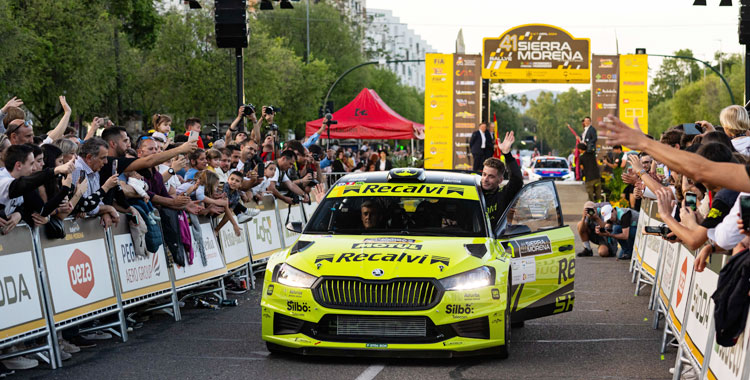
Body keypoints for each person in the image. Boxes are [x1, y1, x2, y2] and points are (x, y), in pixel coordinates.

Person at [481, 132, 521, 230]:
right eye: (484, 174)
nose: (485, 179)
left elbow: (517, 180)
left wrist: (507, 154)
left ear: (500, 180)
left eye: (491, 176)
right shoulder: (473, 190)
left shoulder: (503, 195)